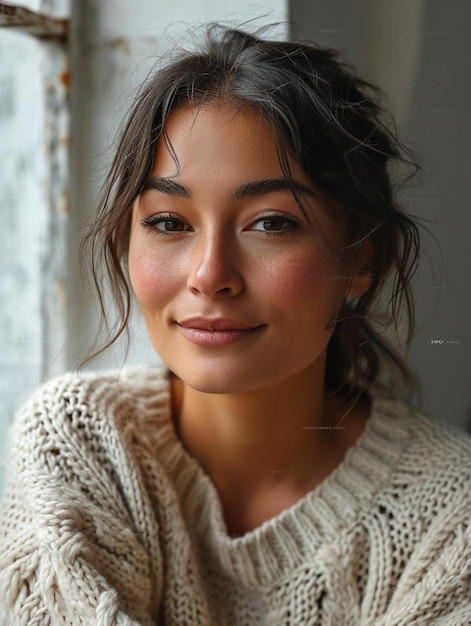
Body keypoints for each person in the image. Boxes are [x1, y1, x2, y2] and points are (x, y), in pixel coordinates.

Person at [0, 24, 470, 626]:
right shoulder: (77, 444)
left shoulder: (451, 515)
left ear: (360, 258)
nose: (209, 274)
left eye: (271, 223)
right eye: (170, 222)